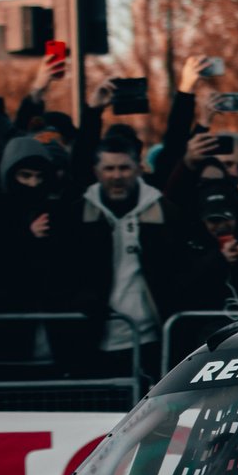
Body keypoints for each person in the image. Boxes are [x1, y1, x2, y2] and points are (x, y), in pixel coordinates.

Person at [74, 127, 180, 369]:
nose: (117, 176)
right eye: (109, 169)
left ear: (138, 169)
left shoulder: (163, 210)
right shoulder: (80, 213)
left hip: (151, 338)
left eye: (124, 168)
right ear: (96, 172)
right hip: (96, 339)